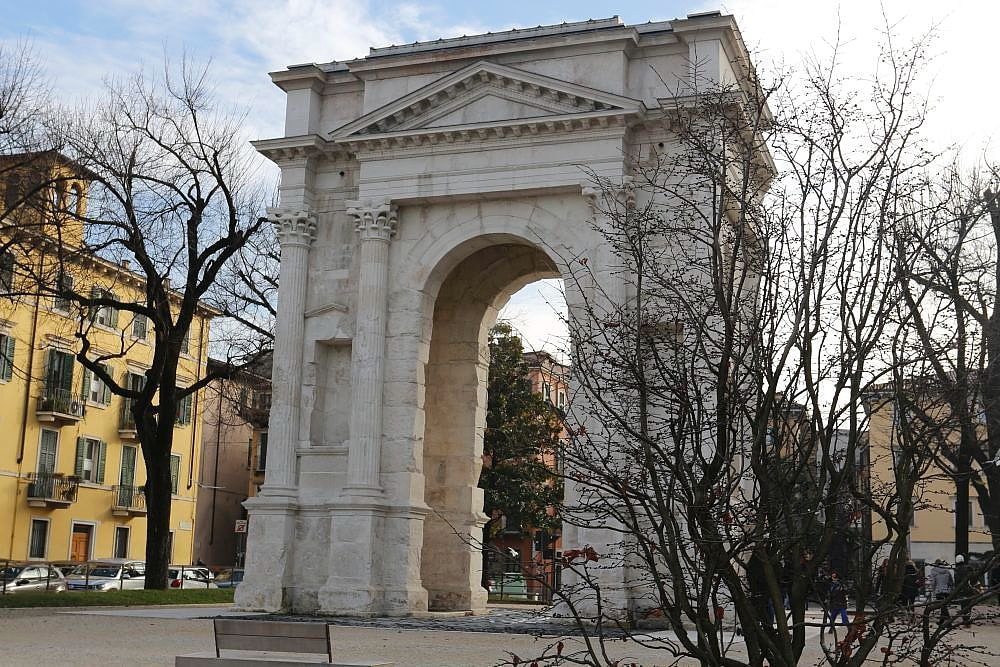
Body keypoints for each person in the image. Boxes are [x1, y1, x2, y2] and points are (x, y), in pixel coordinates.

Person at [954, 554, 979, 626]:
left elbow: (957, 581)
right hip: (969, 589)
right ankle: (968, 619)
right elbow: (973, 579)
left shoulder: (957, 570)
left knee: (963, 606)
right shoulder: (968, 568)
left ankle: (965, 620)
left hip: (961, 590)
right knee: (969, 605)